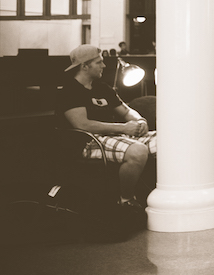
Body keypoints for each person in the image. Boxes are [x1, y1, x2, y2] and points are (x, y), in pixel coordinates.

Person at [55, 45, 154, 209]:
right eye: (99, 62)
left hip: (114, 136)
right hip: (88, 142)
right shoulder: (69, 91)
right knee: (138, 151)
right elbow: (82, 124)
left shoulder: (102, 88)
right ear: (84, 66)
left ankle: (161, 193)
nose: (104, 65)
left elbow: (126, 111)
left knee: (167, 141)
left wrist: (140, 120)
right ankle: (126, 200)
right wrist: (123, 128)